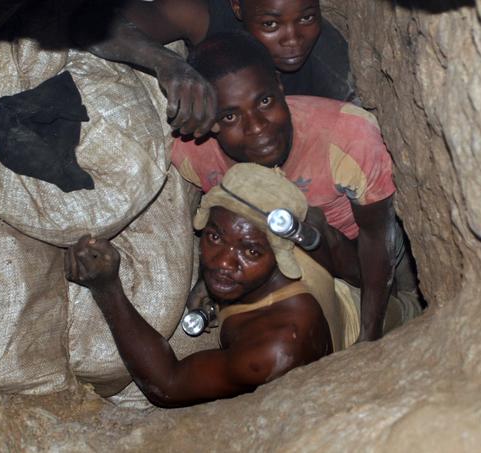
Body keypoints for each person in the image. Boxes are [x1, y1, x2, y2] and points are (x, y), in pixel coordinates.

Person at [171, 32, 421, 342]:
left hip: (357, 248)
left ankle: (408, 301)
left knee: (391, 301)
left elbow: (376, 238)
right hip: (273, 254)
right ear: (209, 120)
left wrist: (369, 338)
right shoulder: (194, 154)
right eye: (231, 115)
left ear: (279, 86)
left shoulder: (347, 135)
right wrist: (206, 279)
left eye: (264, 101)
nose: (257, 127)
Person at [64, 163, 359, 407]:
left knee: (400, 310)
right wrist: (208, 287)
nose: (222, 263)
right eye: (215, 237)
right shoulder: (300, 226)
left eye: (251, 252)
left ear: (281, 252)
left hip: (352, 342)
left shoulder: (273, 348)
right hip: (337, 299)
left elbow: (168, 386)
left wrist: (107, 288)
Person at [70, 0, 354, 137]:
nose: (293, 40)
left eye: (307, 18)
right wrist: (168, 63)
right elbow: (94, 25)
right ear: (238, 8)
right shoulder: (205, 15)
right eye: (270, 24)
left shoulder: (332, 74)